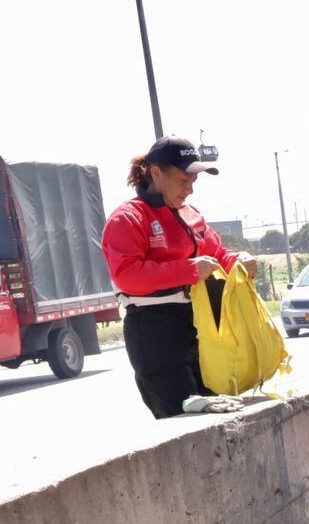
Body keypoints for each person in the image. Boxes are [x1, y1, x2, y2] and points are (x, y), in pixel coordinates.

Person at [102, 135, 260, 419]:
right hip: (155, 331)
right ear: (156, 173)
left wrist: (239, 261)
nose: (189, 191)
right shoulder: (128, 219)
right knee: (183, 417)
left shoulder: (191, 215)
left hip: (199, 327)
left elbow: (217, 253)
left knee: (221, 410)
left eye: (192, 183)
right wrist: (188, 270)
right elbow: (127, 276)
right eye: (183, 181)